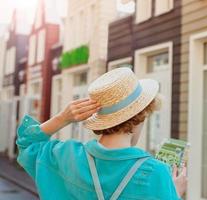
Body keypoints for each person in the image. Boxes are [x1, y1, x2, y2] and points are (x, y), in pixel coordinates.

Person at [16, 67, 187, 200]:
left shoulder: (66, 156)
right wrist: (174, 192)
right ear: (140, 116)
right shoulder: (156, 173)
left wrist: (62, 118)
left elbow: (26, 145)